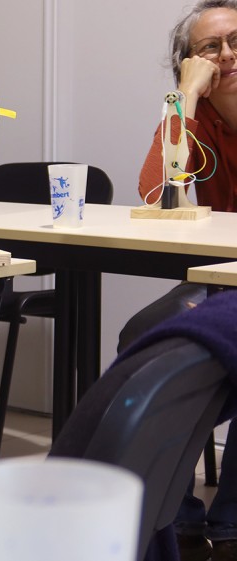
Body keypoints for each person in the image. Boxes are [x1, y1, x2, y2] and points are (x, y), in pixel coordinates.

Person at [126, 2, 237, 559]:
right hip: (219, 276)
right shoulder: (193, 116)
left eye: (236, 41)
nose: (227, 55)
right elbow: (156, 194)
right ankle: (176, 514)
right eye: (210, 48)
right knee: (145, 332)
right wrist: (186, 98)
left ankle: (231, 522)